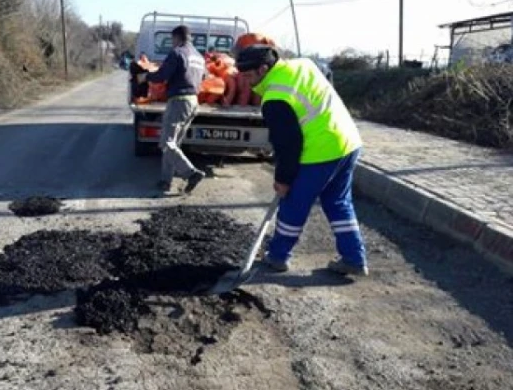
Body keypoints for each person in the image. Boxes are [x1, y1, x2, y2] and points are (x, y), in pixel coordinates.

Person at [235, 45, 368, 276]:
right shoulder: (303, 64)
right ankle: (354, 258)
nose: (246, 82)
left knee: (293, 205)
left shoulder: (275, 97)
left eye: (248, 76)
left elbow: (288, 145)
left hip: (320, 152)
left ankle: (277, 257)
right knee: (338, 202)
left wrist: (283, 180)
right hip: (348, 142)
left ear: (264, 69)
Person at [137, 25, 207, 194]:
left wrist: (146, 76)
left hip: (179, 101)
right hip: (193, 102)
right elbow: (204, 77)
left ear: (177, 38)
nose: (172, 43)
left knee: (166, 143)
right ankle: (165, 181)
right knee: (173, 145)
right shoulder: (198, 57)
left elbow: (162, 76)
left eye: (172, 40)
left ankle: (191, 173)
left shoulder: (177, 53)